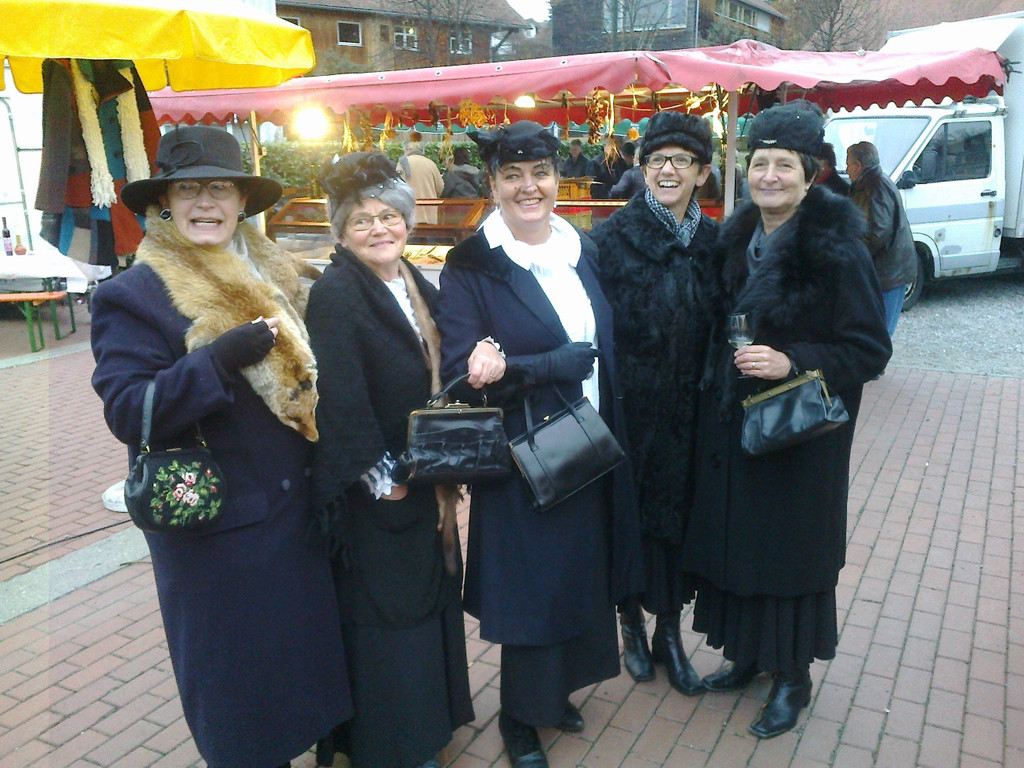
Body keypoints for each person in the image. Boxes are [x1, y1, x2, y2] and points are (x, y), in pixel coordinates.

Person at [90, 125, 352, 768]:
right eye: (188, 190)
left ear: (241, 202)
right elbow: (129, 410)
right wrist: (216, 361)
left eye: (220, 189)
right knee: (242, 693)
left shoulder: (278, 274)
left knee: (304, 669)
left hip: (296, 516)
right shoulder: (133, 294)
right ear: (164, 203)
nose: (205, 203)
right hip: (219, 535)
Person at [434, 121, 644, 768]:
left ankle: (558, 694)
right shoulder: (472, 267)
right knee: (532, 587)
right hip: (528, 455)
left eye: (541, 173)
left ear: (558, 179)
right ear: (493, 184)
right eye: (513, 176)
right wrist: (550, 365)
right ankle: (520, 717)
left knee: (581, 574)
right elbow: (461, 372)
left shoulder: (582, 249)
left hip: (592, 440)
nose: (530, 187)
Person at [685, 102, 891, 739]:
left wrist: (791, 359)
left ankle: (792, 677)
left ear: (810, 175)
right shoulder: (734, 239)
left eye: (783, 166)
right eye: (759, 164)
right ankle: (748, 656)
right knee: (741, 543)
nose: (769, 176)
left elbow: (869, 350)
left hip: (800, 435)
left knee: (789, 554)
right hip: (736, 427)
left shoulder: (837, 250)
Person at [304, 151, 474, 768]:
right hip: (381, 489)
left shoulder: (410, 281)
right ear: (342, 232)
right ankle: (396, 744)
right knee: (389, 617)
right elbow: (338, 398)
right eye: (362, 221)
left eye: (389, 216)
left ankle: (429, 722)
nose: (379, 229)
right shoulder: (336, 293)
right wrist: (384, 480)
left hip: (425, 475)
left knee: (426, 602)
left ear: (406, 220)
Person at [591, 111, 718, 696]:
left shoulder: (713, 242)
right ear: (642, 169)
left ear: (702, 172)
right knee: (632, 521)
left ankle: (669, 630)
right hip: (631, 411)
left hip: (693, 412)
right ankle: (631, 625)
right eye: (657, 160)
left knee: (682, 523)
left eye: (681, 161)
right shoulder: (611, 239)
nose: (668, 170)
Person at [847, 140, 918, 336]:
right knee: (876, 329)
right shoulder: (870, 183)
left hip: (888, 273)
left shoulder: (875, 187)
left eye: (848, 164)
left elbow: (878, 232)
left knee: (880, 332)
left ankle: (877, 356)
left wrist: (854, 254)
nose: (847, 169)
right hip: (886, 271)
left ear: (858, 165)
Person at [398, 130, 444, 223]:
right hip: (430, 212)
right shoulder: (430, 163)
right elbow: (440, 187)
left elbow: (398, 186)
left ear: (407, 150)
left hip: (410, 212)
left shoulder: (402, 163)